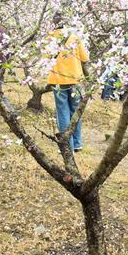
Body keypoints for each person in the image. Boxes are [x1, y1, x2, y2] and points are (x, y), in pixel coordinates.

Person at [47, 12, 90, 152]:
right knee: (75, 111)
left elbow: (45, 59)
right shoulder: (74, 37)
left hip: (58, 80)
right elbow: (84, 58)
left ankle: (67, 146)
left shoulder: (50, 38)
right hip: (75, 79)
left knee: (63, 112)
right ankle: (77, 143)